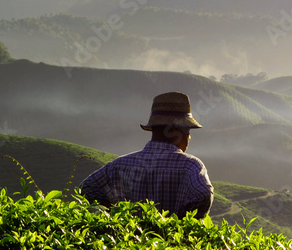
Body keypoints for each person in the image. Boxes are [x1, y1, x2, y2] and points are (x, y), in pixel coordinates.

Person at [79, 91, 214, 219]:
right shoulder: (190, 167)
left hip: (128, 241)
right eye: (187, 131)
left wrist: (113, 215)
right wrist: (186, 222)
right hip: (173, 242)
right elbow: (203, 194)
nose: (189, 137)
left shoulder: (119, 165)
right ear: (175, 131)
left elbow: (86, 189)